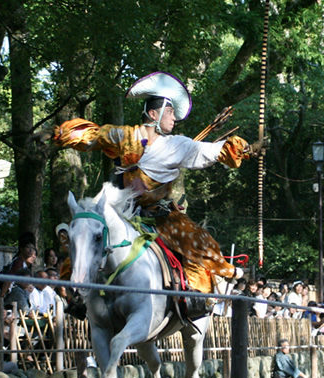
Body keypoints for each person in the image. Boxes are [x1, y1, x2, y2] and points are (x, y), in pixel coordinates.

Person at [53, 71, 261, 299]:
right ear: (153, 113)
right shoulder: (125, 136)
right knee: (83, 233)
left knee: (197, 242)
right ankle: (72, 296)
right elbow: (92, 136)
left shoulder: (178, 145)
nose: (174, 118)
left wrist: (244, 149)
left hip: (158, 214)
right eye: (170, 112)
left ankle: (195, 301)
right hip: (115, 207)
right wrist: (58, 134)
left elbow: (210, 151)